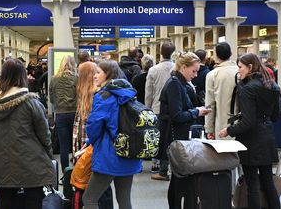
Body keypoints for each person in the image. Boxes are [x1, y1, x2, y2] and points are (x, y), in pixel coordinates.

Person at [0, 59, 55, 209]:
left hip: (3, 162)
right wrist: (48, 156)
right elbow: (45, 135)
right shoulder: (31, 103)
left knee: (5, 201)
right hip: (32, 163)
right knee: (34, 201)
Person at [219, 53, 281, 209]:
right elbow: (275, 116)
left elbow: (247, 122)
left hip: (250, 141)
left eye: (240, 67)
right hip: (267, 137)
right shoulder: (273, 86)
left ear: (250, 67)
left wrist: (229, 130)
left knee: (251, 183)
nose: (238, 71)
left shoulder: (247, 89)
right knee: (268, 182)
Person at [82, 60, 142, 209]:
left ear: (107, 74)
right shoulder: (129, 93)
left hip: (109, 154)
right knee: (124, 199)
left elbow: (94, 125)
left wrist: (90, 140)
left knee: (89, 199)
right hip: (130, 151)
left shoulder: (103, 96)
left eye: (98, 72)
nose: (94, 76)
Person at [159, 52, 210, 208]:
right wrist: (197, 112)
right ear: (183, 67)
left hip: (176, 137)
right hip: (176, 138)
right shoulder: (175, 84)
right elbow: (177, 115)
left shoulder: (178, 83)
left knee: (178, 179)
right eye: (193, 71)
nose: (195, 75)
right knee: (180, 179)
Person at [145, 42, 175, 175]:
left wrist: (147, 109)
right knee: (169, 138)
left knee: (156, 137)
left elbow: (149, 92)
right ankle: (168, 165)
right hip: (173, 109)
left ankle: (155, 163)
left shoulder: (153, 70)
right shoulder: (176, 68)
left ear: (160, 53)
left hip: (156, 109)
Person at [205, 42, 239, 140]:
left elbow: (209, 104)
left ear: (216, 55)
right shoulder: (240, 72)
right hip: (241, 125)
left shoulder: (212, 75)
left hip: (221, 126)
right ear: (231, 53)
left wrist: (209, 129)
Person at [49, 55, 77, 172]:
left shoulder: (54, 78)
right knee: (75, 145)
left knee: (63, 146)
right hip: (74, 114)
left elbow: (51, 98)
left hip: (60, 114)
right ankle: (77, 173)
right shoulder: (76, 78)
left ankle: (65, 173)